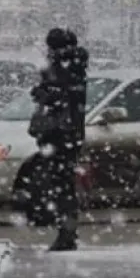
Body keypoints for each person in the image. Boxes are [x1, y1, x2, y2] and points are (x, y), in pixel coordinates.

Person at [28, 28, 88, 251]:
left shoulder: (65, 65)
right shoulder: (73, 65)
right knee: (62, 184)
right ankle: (66, 231)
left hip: (61, 134)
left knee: (60, 184)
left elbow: (63, 97)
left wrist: (45, 94)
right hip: (66, 134)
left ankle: (66, 233)